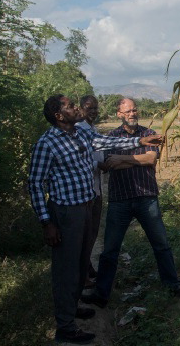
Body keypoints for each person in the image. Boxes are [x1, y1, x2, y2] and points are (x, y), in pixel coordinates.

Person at [29, 94, 163, 344]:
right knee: (66, 269)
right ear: (59, 116)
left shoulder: (81, 134)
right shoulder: (47, 143)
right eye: (70, 106)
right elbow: (35, 184)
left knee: (81, 263)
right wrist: (47, 222)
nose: (76, 108)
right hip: (65, 212)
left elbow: (106, 142)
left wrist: (142, 139)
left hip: (85, 207)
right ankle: (65, 327)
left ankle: (72, 308)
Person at [82, 97, 180, 309]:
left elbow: (150, 160)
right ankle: (101, 293)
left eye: (134, 110)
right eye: (127, 111)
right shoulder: (111, 137)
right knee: (110, 249)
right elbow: (109, 164)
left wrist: (122, 160)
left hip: (146, 197)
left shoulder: (148, 134)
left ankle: (172, 284)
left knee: (161, 244)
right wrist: (129, 161)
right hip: (120, 199)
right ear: (119, 114)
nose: (132, 114)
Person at [76, 95, 106, 288]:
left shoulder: (93, 129)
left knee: (93, 233)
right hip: (87, 193)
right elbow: (80, 162)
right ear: (81, 109)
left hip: (97, 189)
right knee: (85, 235)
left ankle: (87, 267)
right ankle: (83, 275)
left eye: (95, 108)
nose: (93, 111)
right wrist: (102, 164)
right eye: (89, 108)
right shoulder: (80, 130)